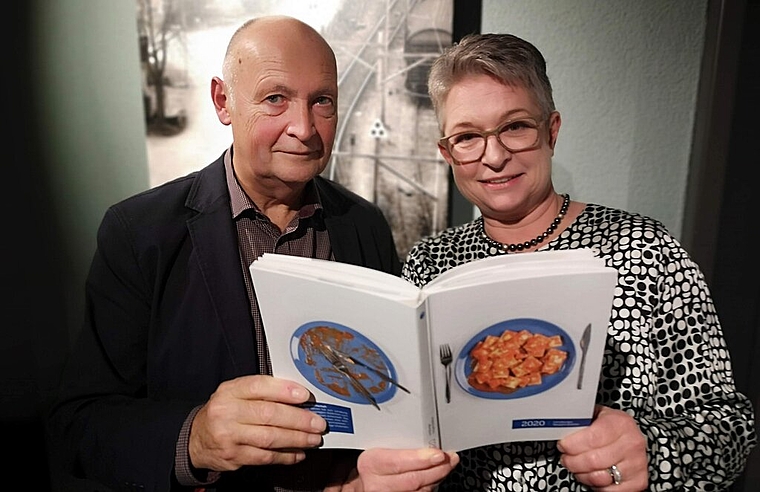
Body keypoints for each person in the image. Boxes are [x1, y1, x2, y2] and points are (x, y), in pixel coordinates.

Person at [47, 16, 458, 492]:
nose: (303, 128)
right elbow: (77, 423)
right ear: (224, 101)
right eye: (275, 99)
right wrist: (194, 438)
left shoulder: (363, 225)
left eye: (322, 100)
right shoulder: (139, 233)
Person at [401, 32, 757, 491]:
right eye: (468, 137)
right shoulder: (431, 263)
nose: (494, 155)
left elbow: (728, 425)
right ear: (448, 153)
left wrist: (653, 451)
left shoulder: (645, 249)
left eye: (515, 126)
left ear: (551, 130)